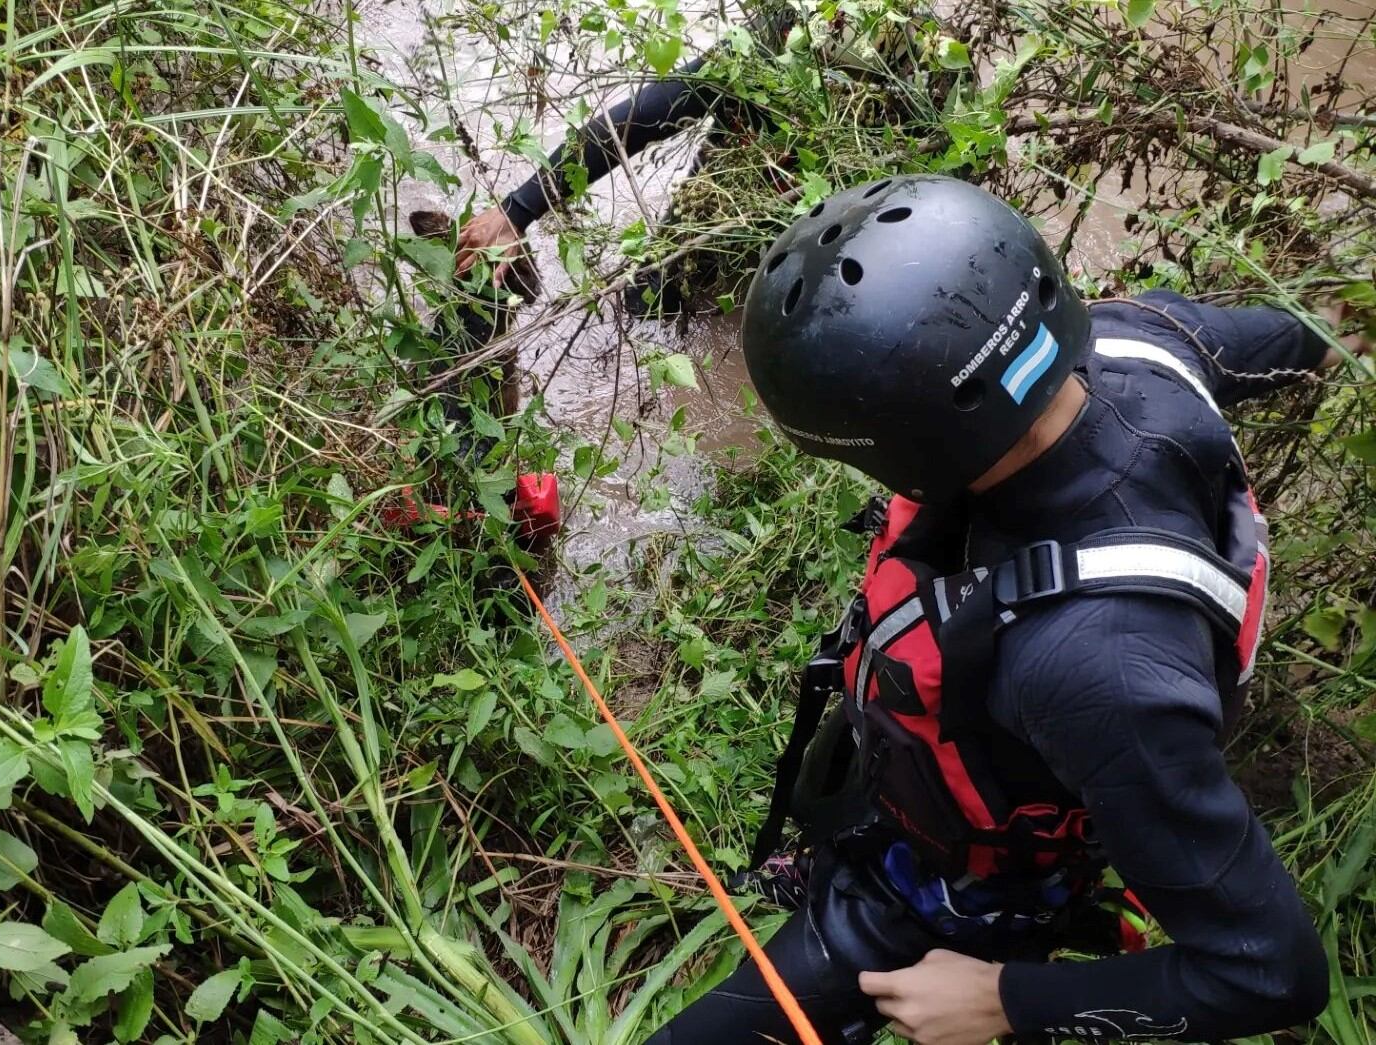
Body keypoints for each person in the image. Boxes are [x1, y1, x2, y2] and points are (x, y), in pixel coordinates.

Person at [642, 174, 1345, 1044]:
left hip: (958, 890)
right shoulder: (1150, 337)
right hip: (966, 757)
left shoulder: (1093, 671)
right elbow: (1305, 336)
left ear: (901, 448)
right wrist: (1339, 327)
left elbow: (1269, 971)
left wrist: (1002, 999)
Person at [450, 9, 923, 302]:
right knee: (650, 299)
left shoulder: (924, 77)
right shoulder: (774, 39)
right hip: (718, 209)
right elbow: (639, 118)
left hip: (843, 224)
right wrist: (518, 209)